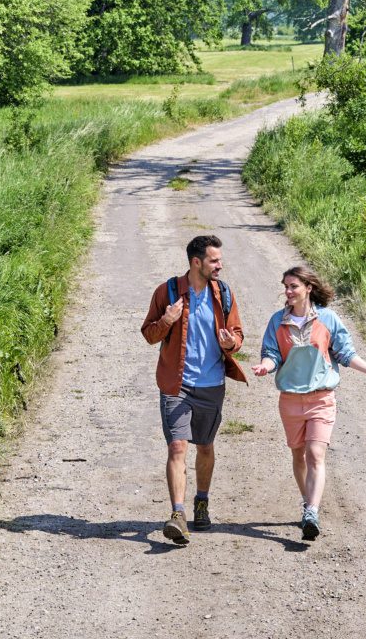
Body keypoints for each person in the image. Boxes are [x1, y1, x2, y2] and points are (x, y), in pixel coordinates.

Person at [250, 264, 366, 542]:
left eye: (293, 286)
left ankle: (311, 512)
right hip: (290, 401)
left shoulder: (328, 319)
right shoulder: (277, 321)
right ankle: (308, 504)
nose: (288, 291)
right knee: (298, 454)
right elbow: (271, 354)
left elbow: (345, 352)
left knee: (316, 454)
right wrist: (265, 367)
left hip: (322, 399)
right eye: (286, 287)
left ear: (308, 288)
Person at [140, 233, 246, 546]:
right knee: (177, 447)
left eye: (220, 260)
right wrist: (167, 321)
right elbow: (148, 334)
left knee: (205, 447)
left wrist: (232, 343)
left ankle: (201, 502)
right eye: (214, 260)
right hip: (177, 384)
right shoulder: (168, 292)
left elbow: (238, 334)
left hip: (212, 385)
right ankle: (178, 513)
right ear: (196, 262)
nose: (220, 266)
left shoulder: (223, 293)